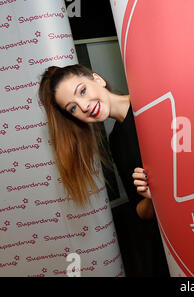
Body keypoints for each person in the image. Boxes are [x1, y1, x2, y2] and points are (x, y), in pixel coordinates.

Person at [38, 64, 167, 275]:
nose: (84, 107)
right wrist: (153, 197)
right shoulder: (116, 141)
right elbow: (142, 212)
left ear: (97, 79)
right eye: (73, 108)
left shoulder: (155, 102)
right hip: (169, 242)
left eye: (82, 91)